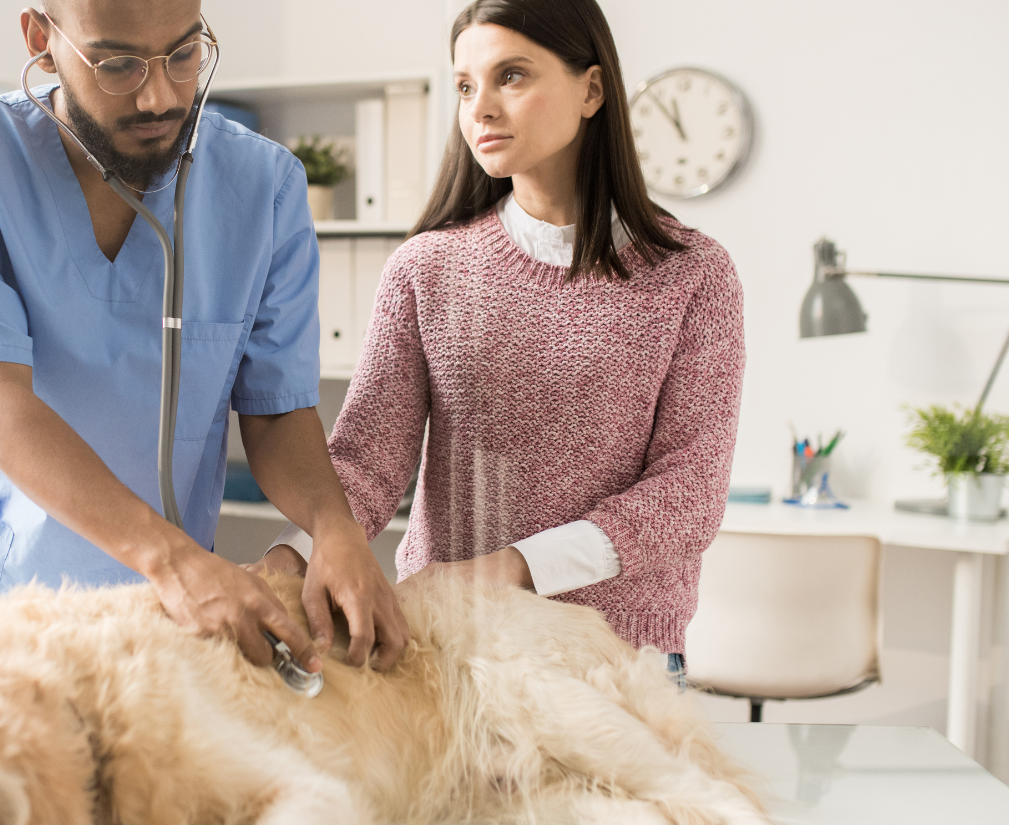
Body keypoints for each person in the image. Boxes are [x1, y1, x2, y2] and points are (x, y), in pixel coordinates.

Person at [0, 0, 408, 678]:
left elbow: (276, 412)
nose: (159, 97)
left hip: (159, 629)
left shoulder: (263, 186)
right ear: (41, 38)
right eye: (117, 64)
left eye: (184, 54)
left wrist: (333, 527)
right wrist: (173, 560)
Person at [261, 0, 744, 683]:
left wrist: (509, 569)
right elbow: (367, 465)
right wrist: (286, 559)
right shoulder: (425, 269)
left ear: (592, 90)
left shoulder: (693, 274)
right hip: (449, 652)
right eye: (465, 86)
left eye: (510, 76)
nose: (479, 108)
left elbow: (687, 496)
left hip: (615, 662)